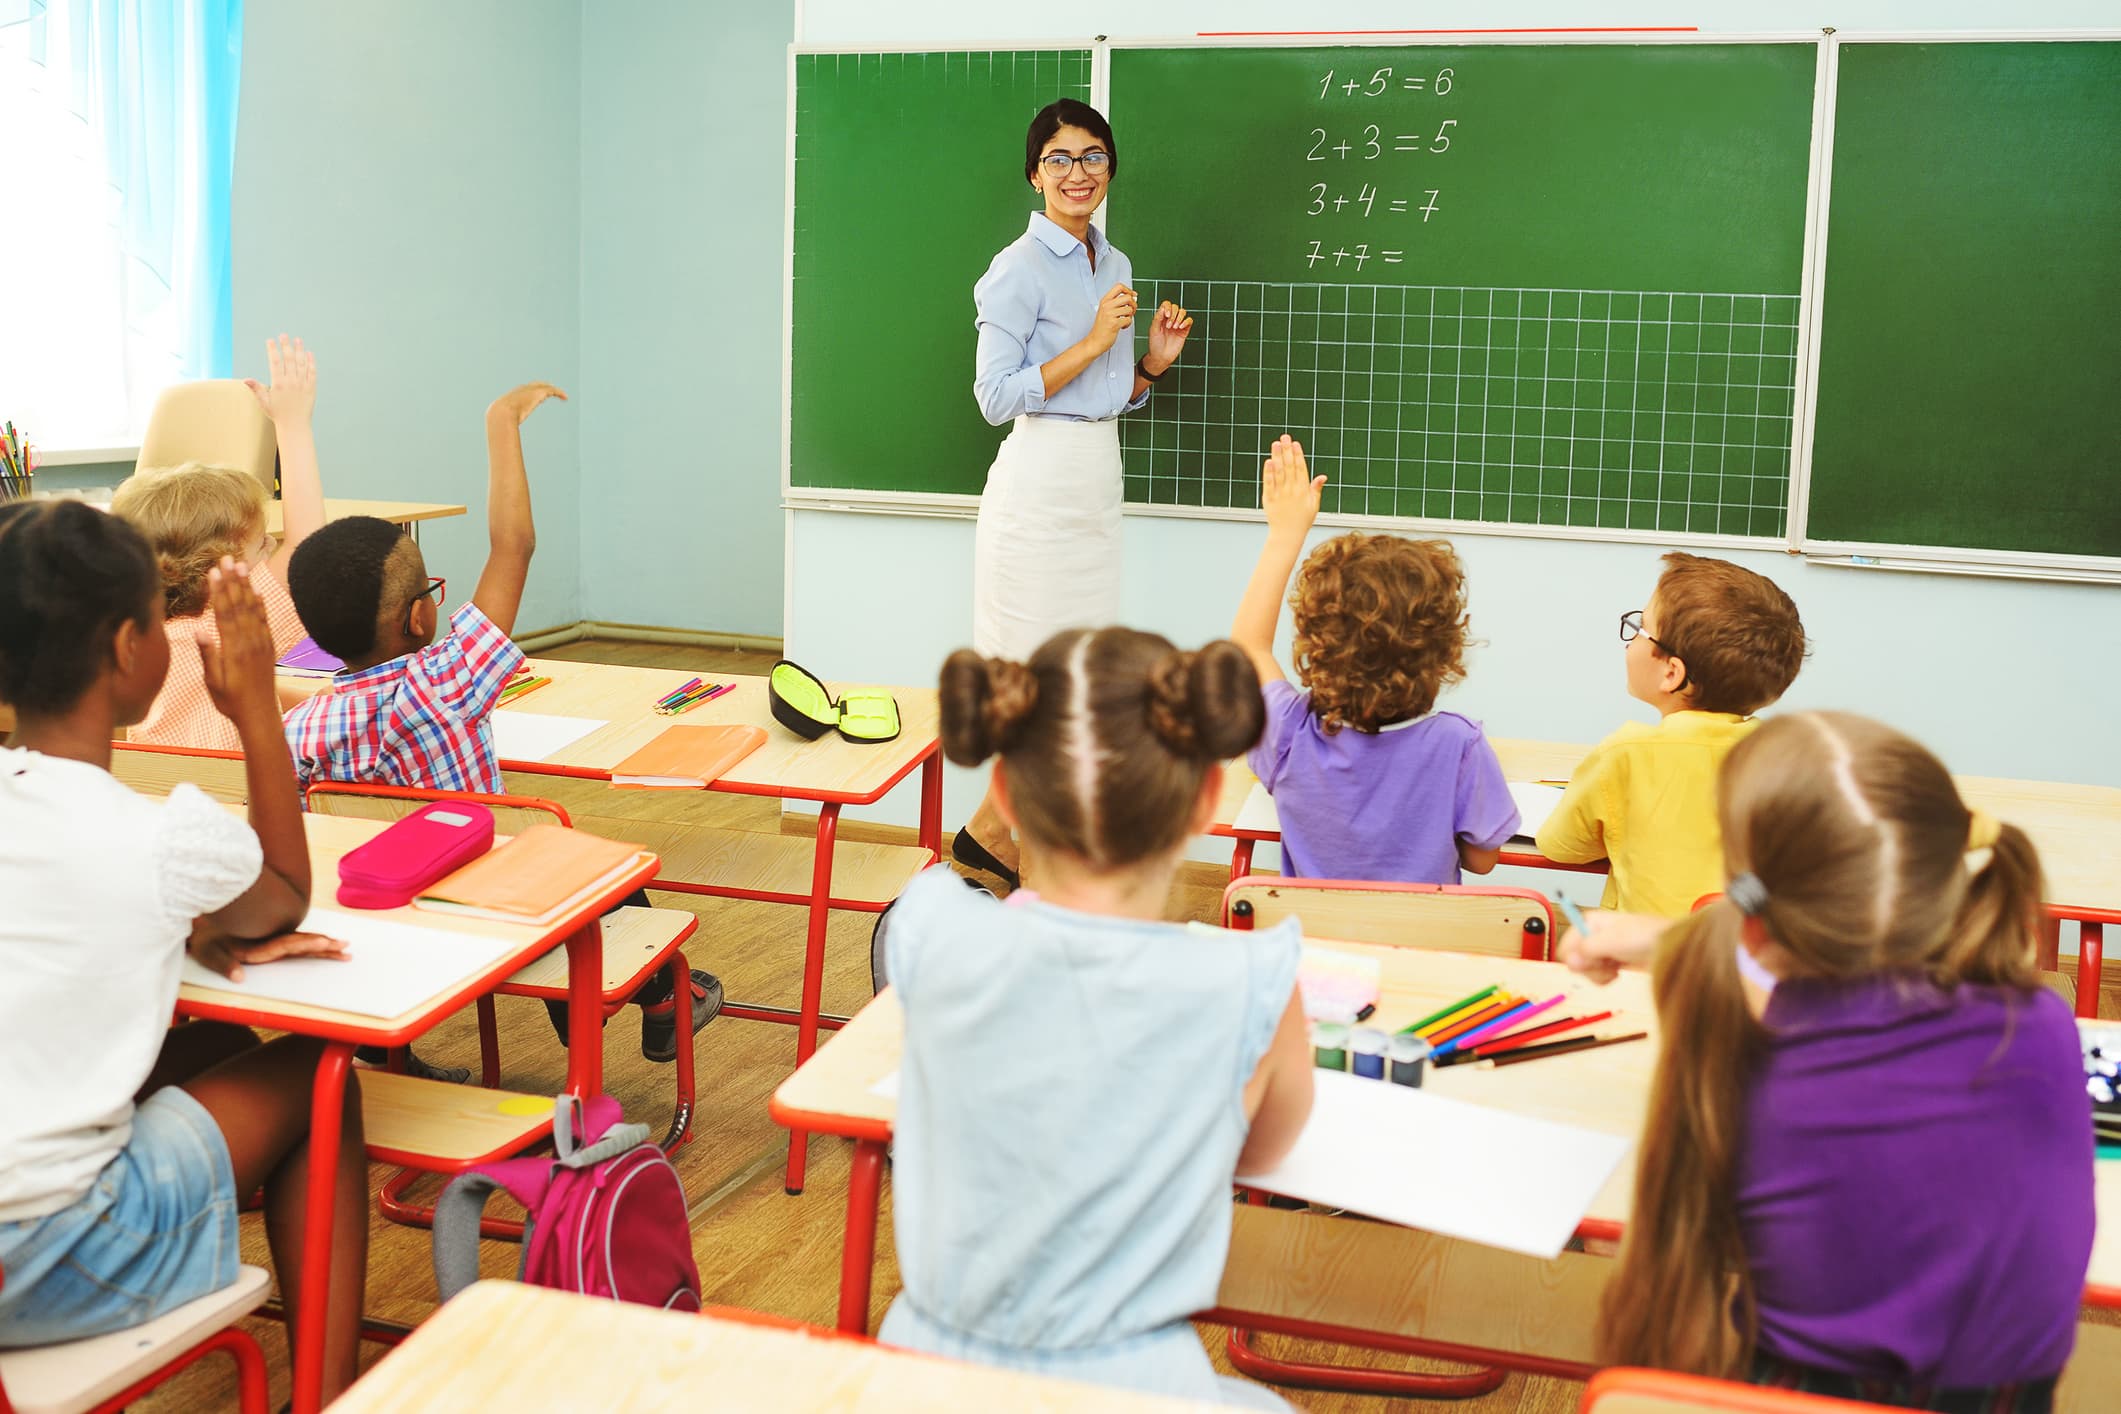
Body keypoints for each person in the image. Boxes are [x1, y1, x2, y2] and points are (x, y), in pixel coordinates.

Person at [1573, 712, 2091, 1410]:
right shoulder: (2042, 1024)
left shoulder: (1754, 1068)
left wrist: (1680, 943)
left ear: (1751, 918)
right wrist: (1673, 940)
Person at [880, 628, 1313, 1406]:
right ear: (1207, 803)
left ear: (1003, 796)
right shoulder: (1249, 983)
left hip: (921, 1371)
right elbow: (1266, 1149)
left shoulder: (927, 922)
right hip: (1134, 1384)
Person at [0, 503, 369, 1401]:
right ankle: (326, 1398)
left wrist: (187, 922)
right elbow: (283, 889)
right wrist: (252, 707)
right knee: (321, 1081)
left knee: (211, 1049)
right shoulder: (161, 838)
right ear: (132, 648)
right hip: (47, 1262)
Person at [282, 384, 716, 1064]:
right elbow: (513, 544)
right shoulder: (448, 681)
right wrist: (501, 422)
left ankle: (385, 1054)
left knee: (549, 853)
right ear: (420, 617)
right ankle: (660, 999)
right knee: (602, 865)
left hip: (382, 922)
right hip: (496, 910)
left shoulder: (300, 729)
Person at [955, 98, 1195, 889]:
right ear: (1034, 173)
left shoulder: (1114, 264)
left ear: (1110, 168)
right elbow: (995, 396)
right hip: (1036, 489)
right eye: (1058, 158)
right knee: (1034, 687)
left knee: (1084, 687)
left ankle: (1003, 838)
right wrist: (1094, 339)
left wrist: (1149, 365)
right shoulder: (1015, 270)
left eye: (1091, 156)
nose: (1076, 173)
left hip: (1096, 481)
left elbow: (1103, 392)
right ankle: (1001, 837)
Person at [1230, 435, 1517, 882]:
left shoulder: (1289, 733)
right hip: (1426, 948)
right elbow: (1483, 860)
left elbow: (1248, 647)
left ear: (1314, 642)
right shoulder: (1459, 747)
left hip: (1317, 948)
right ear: (1443, 650)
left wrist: (1285, 536)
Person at [1536, 552, 1806, 915]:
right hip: (1741, 963)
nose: (1631, 640)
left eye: (1640, 629)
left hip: (1646, 961)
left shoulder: (1626, 753)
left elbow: (1561, 846)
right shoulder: (1786, 758)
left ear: (1672, 674)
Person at [113, 334, 325, 748]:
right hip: (234, 800)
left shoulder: (133, 635)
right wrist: (293, 422)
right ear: (218, 568)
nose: (271, 547)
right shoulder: (226, 628)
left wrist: (313, 698)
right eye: (259, 544)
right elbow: (308, 548)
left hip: (161, 794)